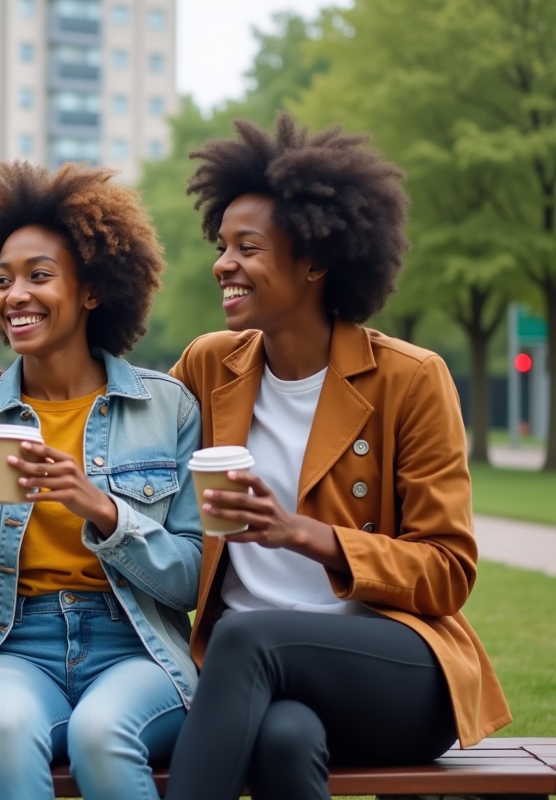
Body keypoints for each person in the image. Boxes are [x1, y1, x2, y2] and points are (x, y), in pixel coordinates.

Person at [160, 114, 511, 800]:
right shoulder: (209, 365)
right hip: (266, 678)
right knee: (286, 739)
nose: (222, 263)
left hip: (397, 669)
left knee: (244, 639)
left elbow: (448, 570)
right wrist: (7, 385)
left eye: (247, 246)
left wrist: (303, 534)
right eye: (222, 243)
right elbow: (120, 430)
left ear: (315, 260)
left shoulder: (409, 378)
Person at [0, 160, 203, 800]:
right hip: (13, 644)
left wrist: (99, 507)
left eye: (39, 276)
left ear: (92, 290)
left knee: (103, 733)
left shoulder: (169, 408)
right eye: (3, 280)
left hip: (136, 646)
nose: (14, 294)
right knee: (8, 730)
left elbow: (190, 580)